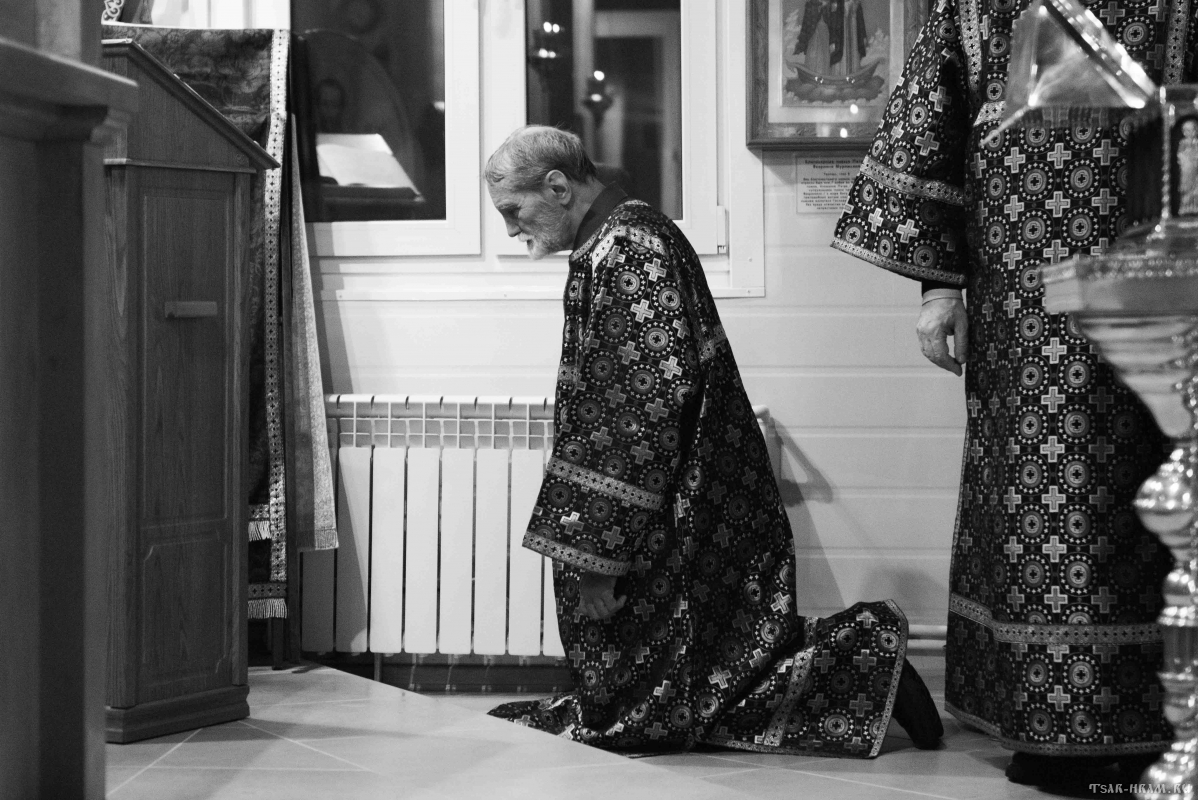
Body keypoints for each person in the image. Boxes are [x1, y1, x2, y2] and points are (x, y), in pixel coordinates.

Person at [483, 125, 942, 756]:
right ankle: (866, 664)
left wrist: (596, 555)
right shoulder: (624, 236)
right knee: (713, 661)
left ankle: (863, 654)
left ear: (558, 187)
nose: (511, 229)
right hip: (687, 489)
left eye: (513, 210)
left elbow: (632, 412)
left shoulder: (627, 249)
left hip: (670, 505)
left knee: (666, 693)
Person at [832, 0, 1198, 786]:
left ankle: (1160, 723)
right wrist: (938, 290)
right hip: (1021, 318)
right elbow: (928, 140)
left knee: (1148, 501)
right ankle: (1047, 723)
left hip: (1157, 300)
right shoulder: (973, 6)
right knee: (1036, 507)